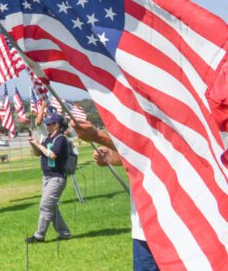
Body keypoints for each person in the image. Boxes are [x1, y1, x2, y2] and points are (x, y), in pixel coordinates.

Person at [73, 119, 158, 270]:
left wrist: (98, 137)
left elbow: (150, 151)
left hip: (179, 227)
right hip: (142, 227)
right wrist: (111, 156)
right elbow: (134, 155)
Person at [25, 112, 73, 243]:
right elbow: (38, 154)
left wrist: (40, 145)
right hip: (46, 176)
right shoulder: (48, 138)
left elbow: (52, 155)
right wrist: (33, 144)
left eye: (49, 123)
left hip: (57, 178)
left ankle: (39, 236)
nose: (46, 125)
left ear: (57, 125)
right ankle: (65, 233)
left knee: (45, 206)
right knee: (51, 208)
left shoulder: (61, 139)